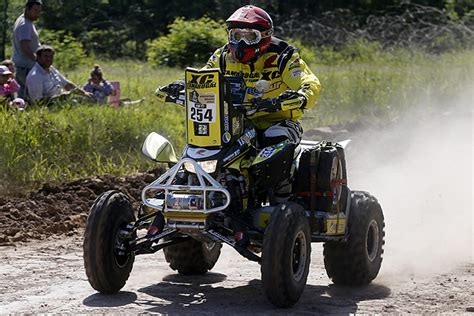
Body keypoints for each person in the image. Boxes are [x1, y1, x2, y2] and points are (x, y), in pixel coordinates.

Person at [26, 45, 91, 105]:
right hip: (48, 107)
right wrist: (60, 97)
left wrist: (84, 93)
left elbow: (67, 84)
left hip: (61, 101)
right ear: (38, 58)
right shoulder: (34, 76)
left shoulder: (51, 69)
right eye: (45, 56)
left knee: (85, 101)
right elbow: (37, 102)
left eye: (51, 56)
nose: (48, 59)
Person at [12, 0, 42, 99]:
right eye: (35, 10)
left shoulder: (24, 20)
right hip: (26, 66)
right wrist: (38, 61)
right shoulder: (24, 24)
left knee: (24, 93)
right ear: (27, 9)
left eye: (39, 11)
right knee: (29, 95)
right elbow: (25, 47)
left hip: (22, 65)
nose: (38, 14)